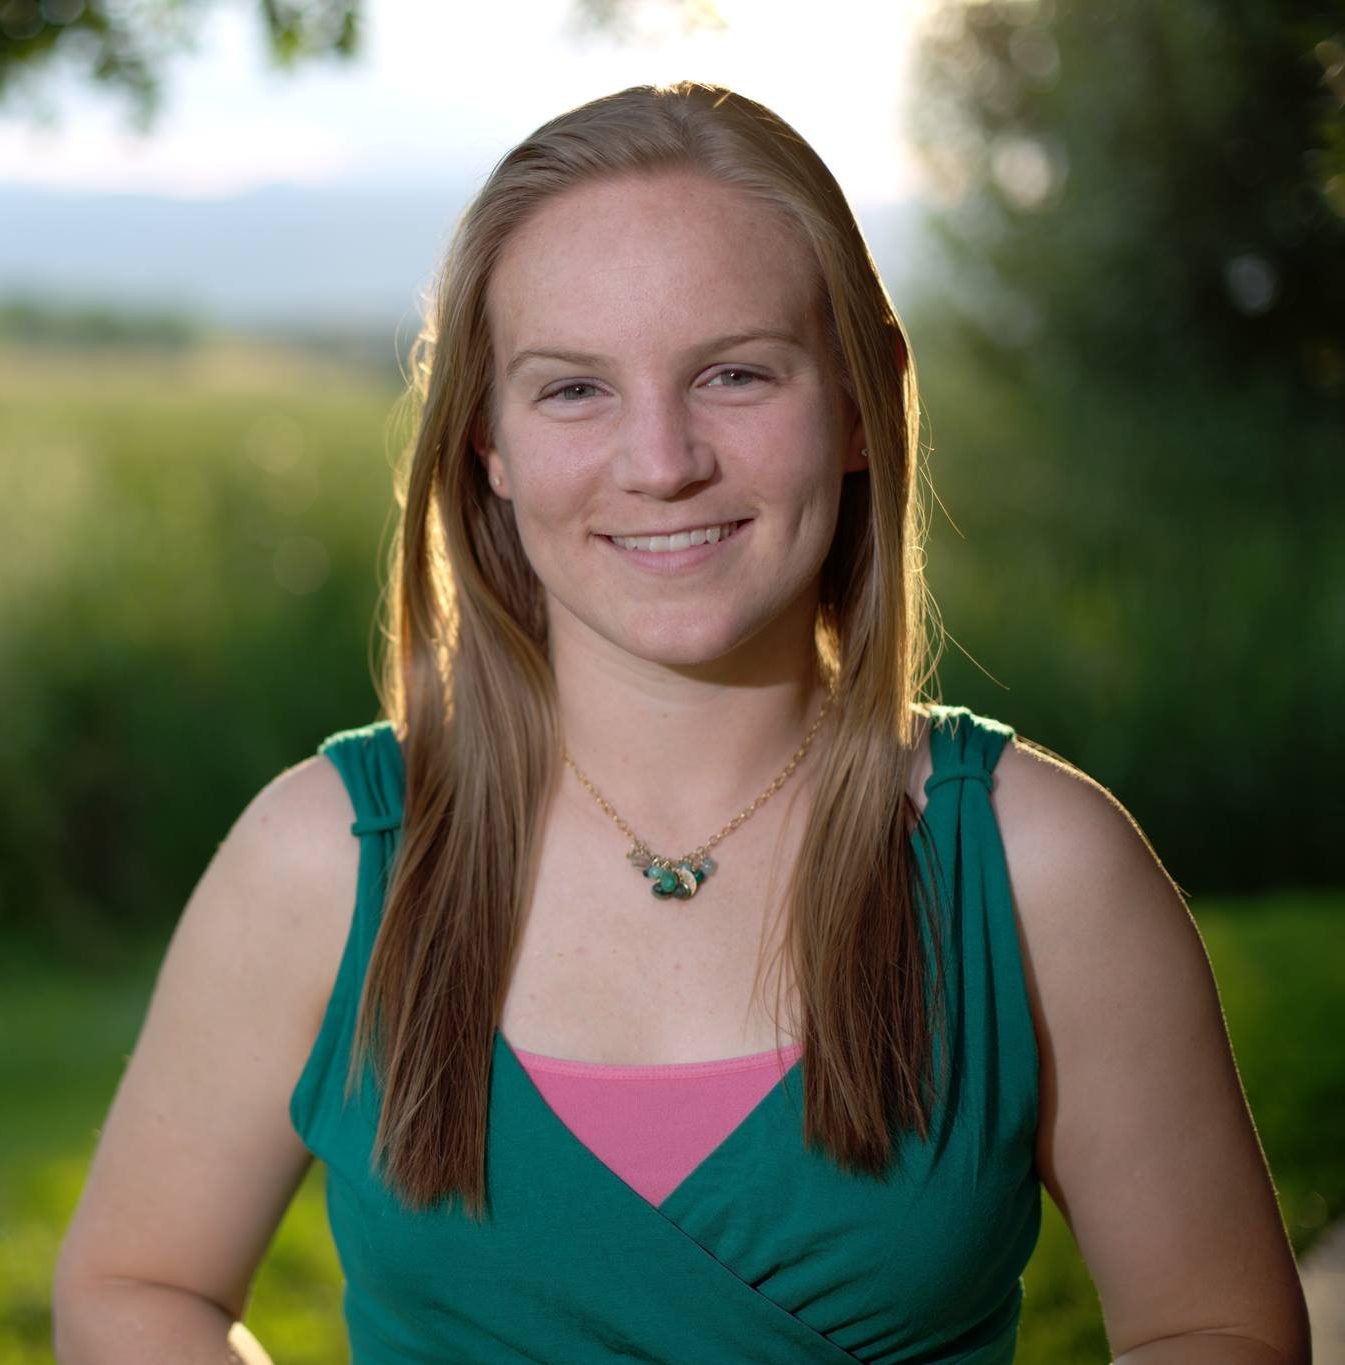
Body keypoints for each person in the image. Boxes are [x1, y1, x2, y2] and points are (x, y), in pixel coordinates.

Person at [51, 81, 1308, 1364]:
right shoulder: (328, 859)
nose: (660, 461)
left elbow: (1215, 1329)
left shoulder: (1038, 871)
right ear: (485, 437)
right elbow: (138, 1287)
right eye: (574, 390)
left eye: (735, 373)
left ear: (866, 400)